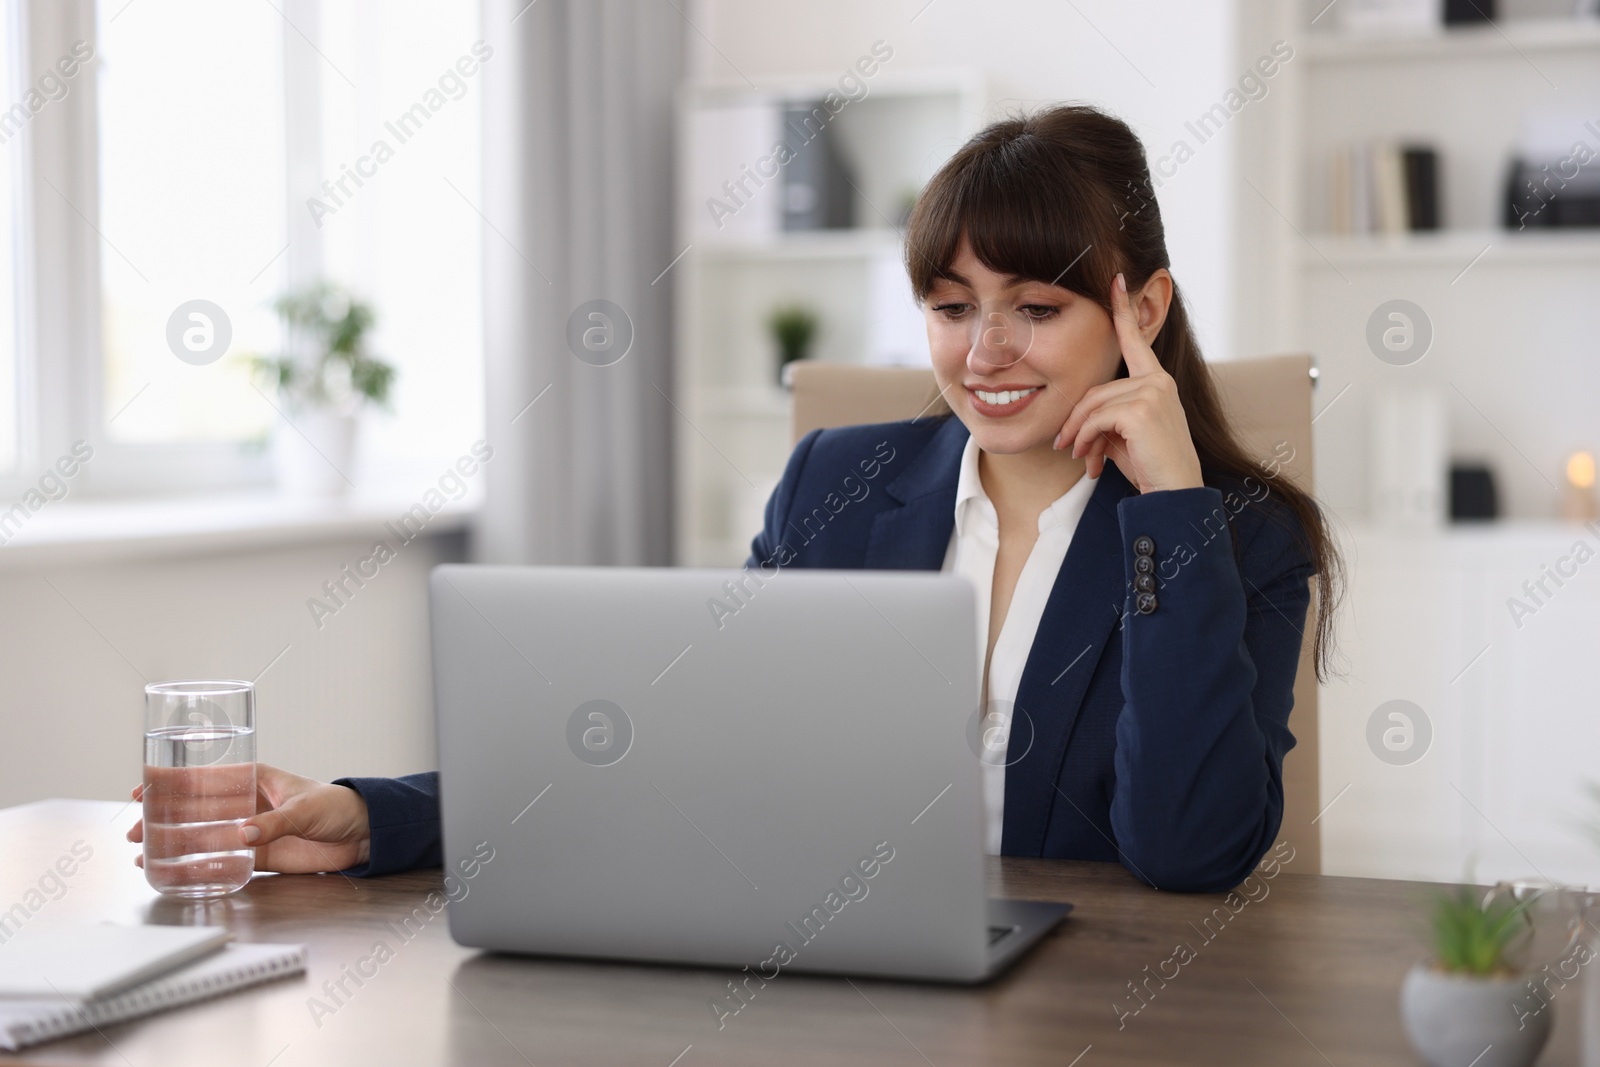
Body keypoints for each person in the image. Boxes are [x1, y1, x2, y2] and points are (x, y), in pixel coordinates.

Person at [127, 103, 1339, 893]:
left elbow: (1189, 849)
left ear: (1144, 311)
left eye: (1035, 306)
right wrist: (376, 814)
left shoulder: (1241, 535)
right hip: (835, 986)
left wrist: (1168, 508)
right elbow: (673, 747)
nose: (983, 353)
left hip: (1097, 1009)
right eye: (951, 305)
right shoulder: (840, 485)